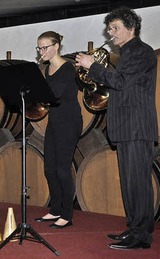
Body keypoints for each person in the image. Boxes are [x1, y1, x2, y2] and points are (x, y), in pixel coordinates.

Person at [76, 7, 157, 250]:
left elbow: (120, 82)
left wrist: (93, 66)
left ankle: (142, 235)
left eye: (115, 28)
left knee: (138, 183)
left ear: (131, 28)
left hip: (136, 128)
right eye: (109, 29)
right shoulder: (126, 55)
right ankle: (134, 228)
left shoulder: (141, 52)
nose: (111, 34)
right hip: (126, 128)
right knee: (129, 182)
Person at [33, 32, 82, 229]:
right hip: (54, 122)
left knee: (62, 169)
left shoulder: (67, 68)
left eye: (45, 47)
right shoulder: (47, 70)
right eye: (39, 48)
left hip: (69, 122)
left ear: (56, 46)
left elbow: (55, 95)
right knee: (49, 169)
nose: (41, 51)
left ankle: (67, 214)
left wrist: (35, 89)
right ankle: (55, 208)